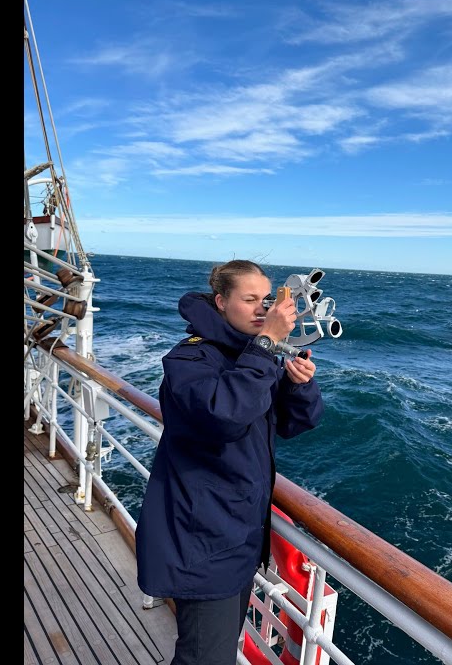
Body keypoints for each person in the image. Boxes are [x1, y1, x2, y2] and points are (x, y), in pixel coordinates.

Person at [136, 259, 324, 665]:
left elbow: (293, 423)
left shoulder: (250, 356)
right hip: (203, 538)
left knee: (214, 651)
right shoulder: (191, 359)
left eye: (267, 299)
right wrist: (266, 344)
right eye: (250, 299)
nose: (263, 309)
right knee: (205, 658)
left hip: (238, 535)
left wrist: (299, 385)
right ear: (221, 301)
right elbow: (224, 416)